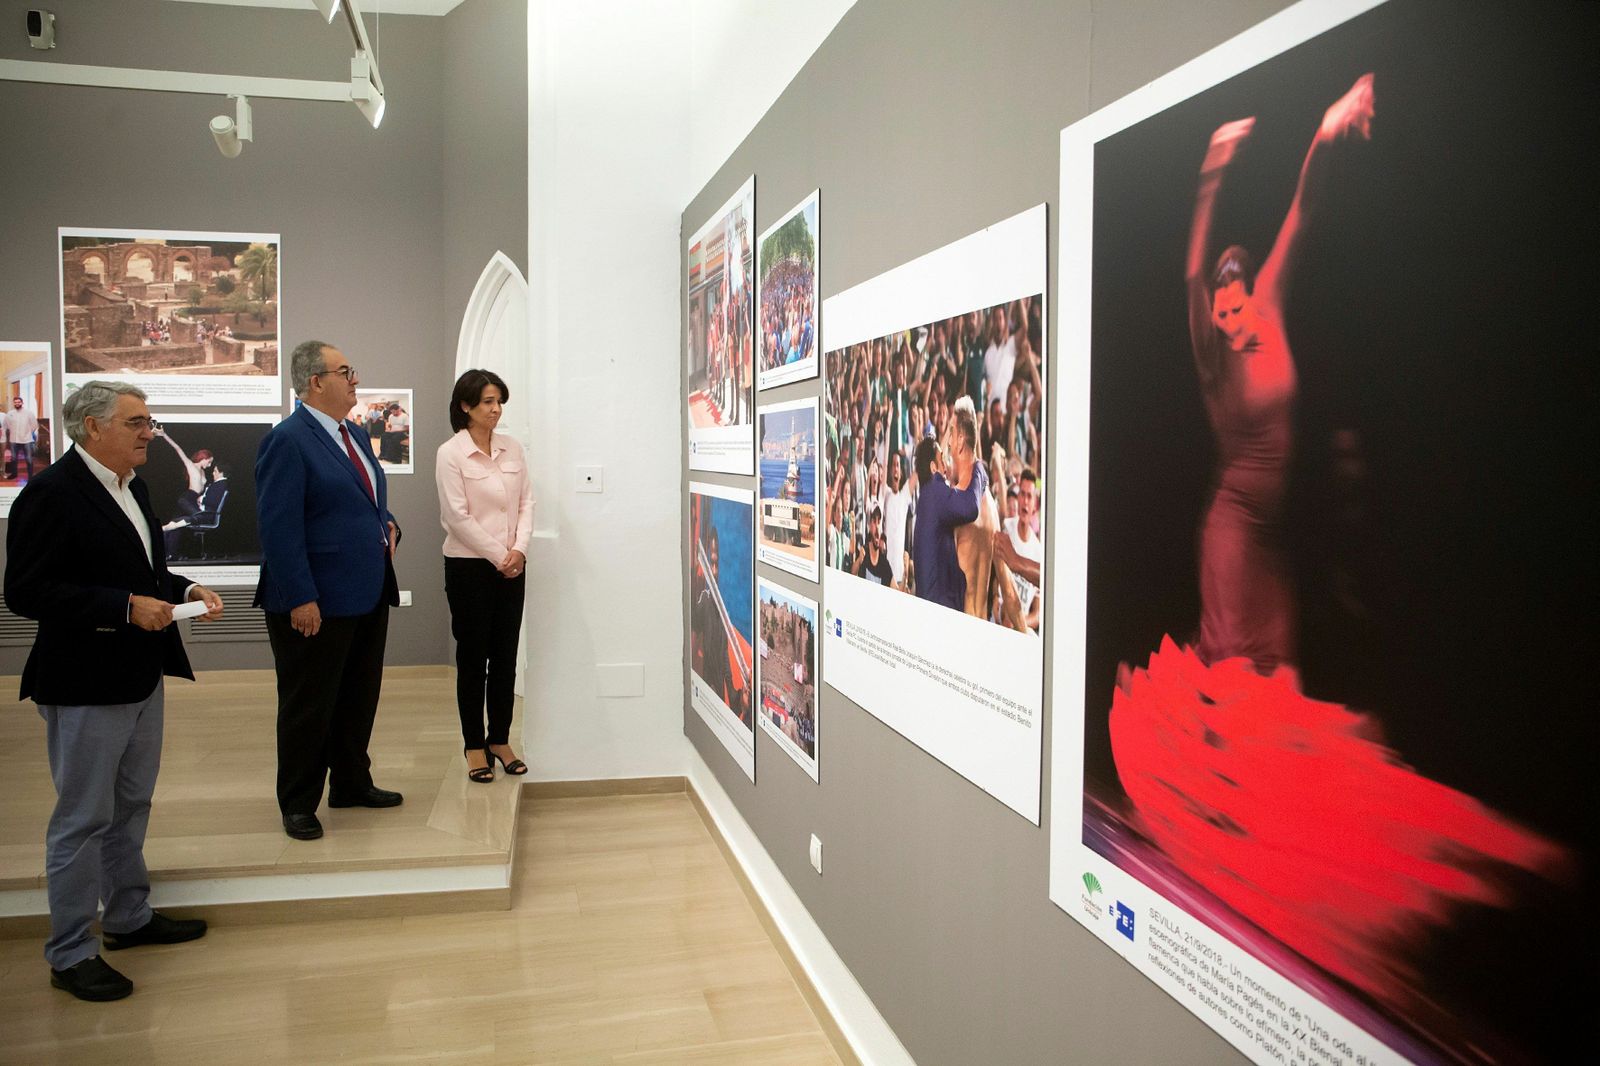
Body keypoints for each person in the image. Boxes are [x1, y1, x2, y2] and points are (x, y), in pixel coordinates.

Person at [4, 380, 223, 1002]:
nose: (148, 433)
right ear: (91, 428)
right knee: (82, 819)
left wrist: (181, 591)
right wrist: (125, 607)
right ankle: (71, 952)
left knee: (131, 807)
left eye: (149, 421)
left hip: (139, 675)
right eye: (136, 422)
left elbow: (146, 572)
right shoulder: (50, 494)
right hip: (83, 682)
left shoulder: (136, 489)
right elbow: (24, 590)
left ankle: (128, 917)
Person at [255, 340, 402, 841]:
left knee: (358, 696)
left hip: (365, 590)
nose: (355, 379)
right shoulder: (288, 440)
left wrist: (389, 522)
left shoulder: (354, 435)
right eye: (345, 371)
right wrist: (300, 596)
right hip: (314, 598)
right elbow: (279, 528)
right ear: (316, 382)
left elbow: (363, 499)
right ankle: (298, 802)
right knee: (309, 705)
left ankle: (351, 783)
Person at [436, 369, 534, 783]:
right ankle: (474, 745)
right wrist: (500, 554)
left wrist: (520, 550)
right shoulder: (451, 453)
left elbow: (528, 501)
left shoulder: (512, 448)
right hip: (469, 567)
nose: (496, 410)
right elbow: (456, 518)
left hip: (512, 565)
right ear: (465, 407)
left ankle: (500, 738)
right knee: (474, 658)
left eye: (499, 402)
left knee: (506, 657)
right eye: (488, 403)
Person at [911, 423, 987, 613]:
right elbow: (971, 507)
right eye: (941, 460)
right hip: (940, 610)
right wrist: (978, 468)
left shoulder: (926, 497)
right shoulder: (936, 492)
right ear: (933, 467)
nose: (946, 465)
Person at [5, 395, 40, 481]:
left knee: (28, 458)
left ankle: (31, 476)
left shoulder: (29, 413)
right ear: (14, 403)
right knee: (13, 458)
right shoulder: (10, 413)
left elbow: (34, 425)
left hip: (26, 440)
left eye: (19, 402)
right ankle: (14, 474)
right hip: (14, 439)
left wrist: (27, 432)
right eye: (15, 402)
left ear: (22, 403)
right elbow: (7, 425)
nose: (17, 404)